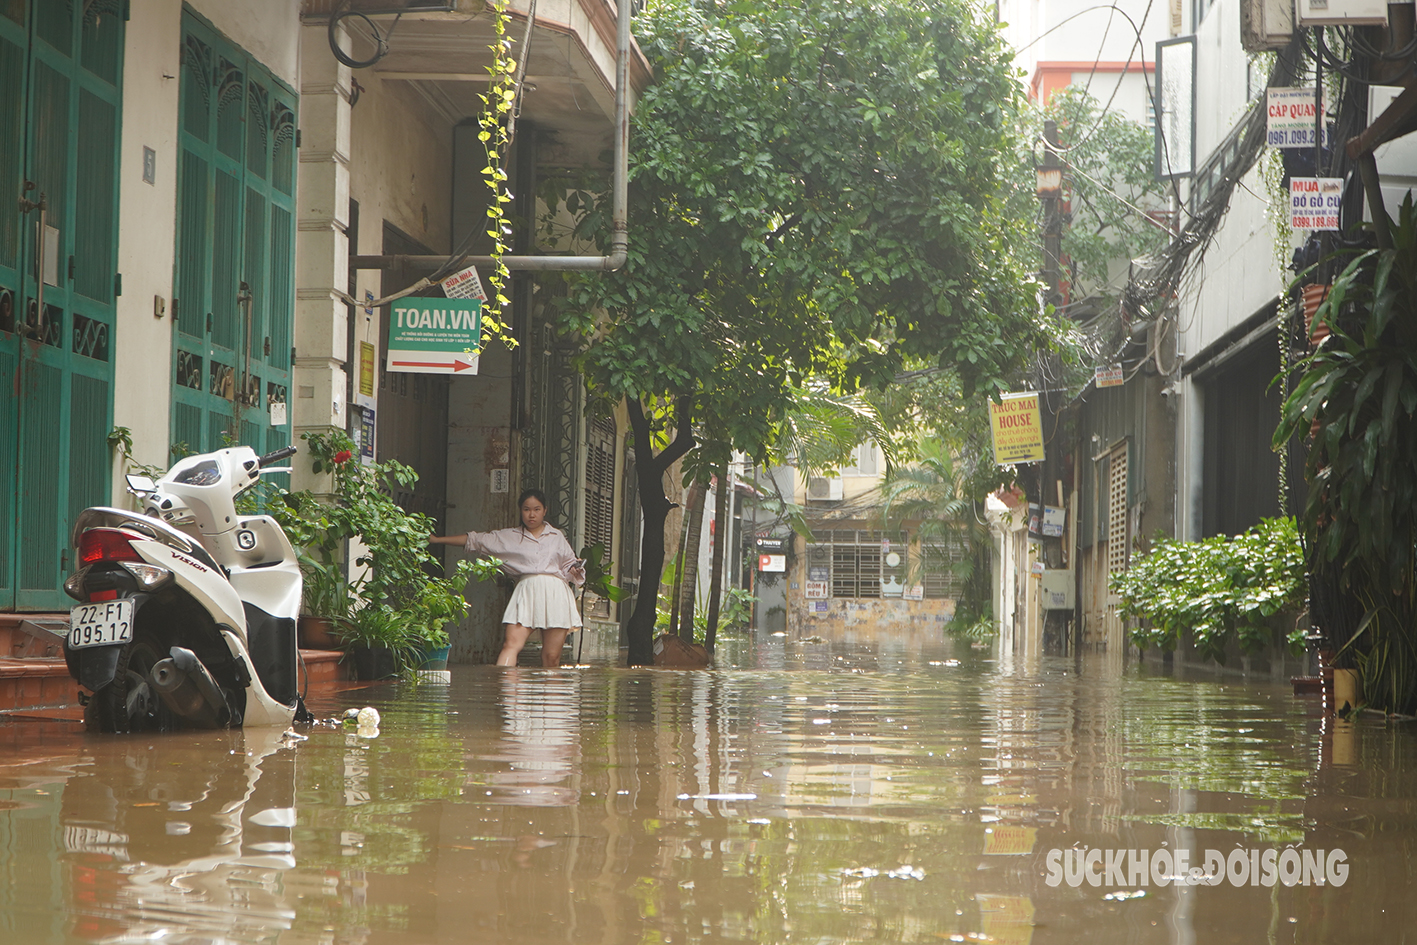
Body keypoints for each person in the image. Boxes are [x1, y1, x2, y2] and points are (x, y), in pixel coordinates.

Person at [430, 489, 585, 667]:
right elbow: (475, 540)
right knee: (511, 645)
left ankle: (551, 694)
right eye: (527, 509)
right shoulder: (509, 536)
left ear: (545, 510)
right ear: (520, 511)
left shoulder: (556, 536)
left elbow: (568, 566)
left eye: (536, 509)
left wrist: (576, 568)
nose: (531, 514)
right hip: (527, 591)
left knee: (551, 657)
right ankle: (506, 693)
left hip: (556, 593)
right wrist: (437, 540)